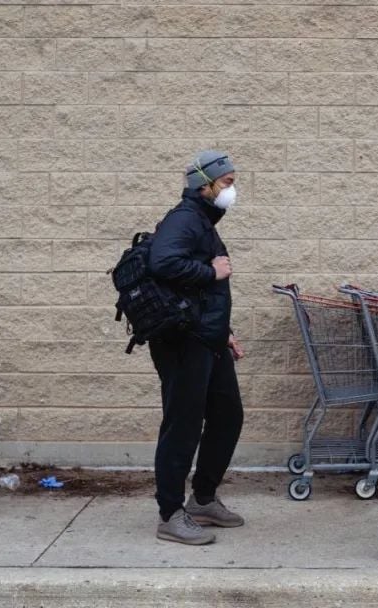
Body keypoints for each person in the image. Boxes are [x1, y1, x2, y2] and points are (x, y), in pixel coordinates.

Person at [147, 150, 246, 545]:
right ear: (203, 185)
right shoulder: (184, 219)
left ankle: (203, 498)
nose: (232, 191)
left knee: (227, 416)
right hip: (182, 342)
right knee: (183, 426)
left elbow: (200, 295)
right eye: (227, 183)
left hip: (207, 337)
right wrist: (211, 270)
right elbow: (162, 262)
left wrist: (224, 330)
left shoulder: (203, 221)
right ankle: (170, 514)